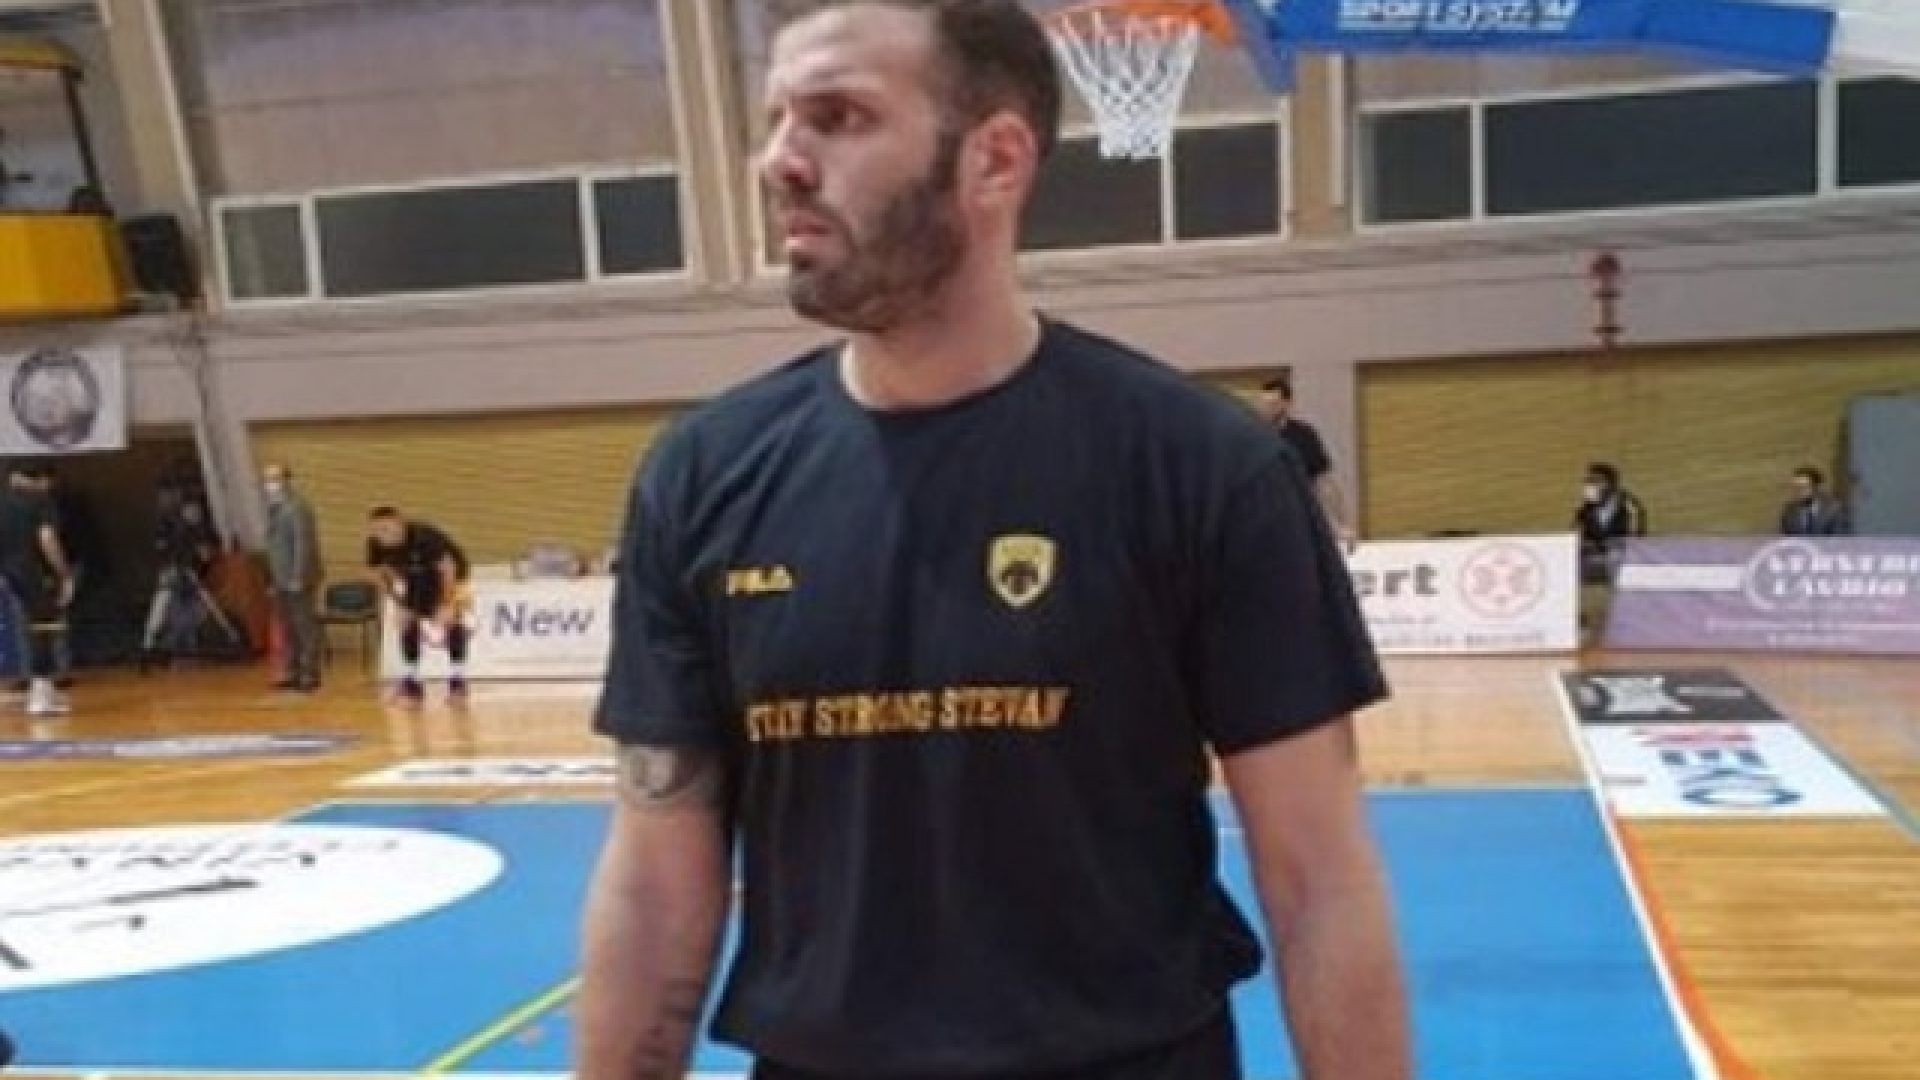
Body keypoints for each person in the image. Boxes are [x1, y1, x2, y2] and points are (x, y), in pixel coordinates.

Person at [577, 4, 1411, 1080]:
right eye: (776, 118)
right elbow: (655, 885)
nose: (779, 159)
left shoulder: (1204, 467)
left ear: (996, 160)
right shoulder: (701, 477)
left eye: (838, 117)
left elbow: (1319, 884)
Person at [365, 506, 471, 703]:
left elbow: (448, 568)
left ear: (400, 524)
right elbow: (376, 574)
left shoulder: (425, 537)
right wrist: (398, 602)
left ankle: (458, 681)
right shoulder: (375, 543)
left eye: (387, 529)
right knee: (406, 623)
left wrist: (446, 603)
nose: (382, 535)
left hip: (451, 577)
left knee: (452, 622)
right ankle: (412, 682)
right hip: (415, 578)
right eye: (377, 530)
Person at [0, 464, 73, 716]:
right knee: (44, 629)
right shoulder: (39, 501)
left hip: (9, 572)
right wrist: (63, 572)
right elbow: (47, 538)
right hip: (35, 571)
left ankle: (44, 689)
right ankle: (41, 696)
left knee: (26, 628)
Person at [1258, 374, 1356, 548]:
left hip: (1299, 519)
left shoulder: (1304, 436)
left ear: (1287, 404)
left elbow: (1324, 482)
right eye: (1264, 404)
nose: (1267, 409)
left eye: (1273, 404)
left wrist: (1343, 524)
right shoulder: (1254, 436)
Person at [263, 464, 323, 692]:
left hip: (298, 578)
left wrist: (299, 576)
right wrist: (272, 579)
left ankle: (309, 674)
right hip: (280, 578)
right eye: (267, 479)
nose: (270, 484)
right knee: (287, 628)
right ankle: (293, 671)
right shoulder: (274, 508)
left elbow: (303, 544)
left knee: (303, 626)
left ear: (287, 480)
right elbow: (273, 548)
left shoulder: (297, 507)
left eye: (275, 479)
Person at [1574, 461, 1646, 584]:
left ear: (1609, 484)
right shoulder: (1586, 508)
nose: (1589, 486)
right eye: (1587, 481)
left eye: (1594, 481)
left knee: (1615, 556)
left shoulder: (1629, 505)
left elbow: (1635, 538)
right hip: (1597, 556)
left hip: (1623, 555)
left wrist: (1613, 545)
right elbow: (1576, 534)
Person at [1780, 466, 1848, 536]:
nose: (1798, 491)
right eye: (1795, 487)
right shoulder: (1790, 511)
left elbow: (1838, 538)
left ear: (1816, 488)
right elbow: (1786, 537)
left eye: (1803, 487)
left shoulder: (1833, 510)